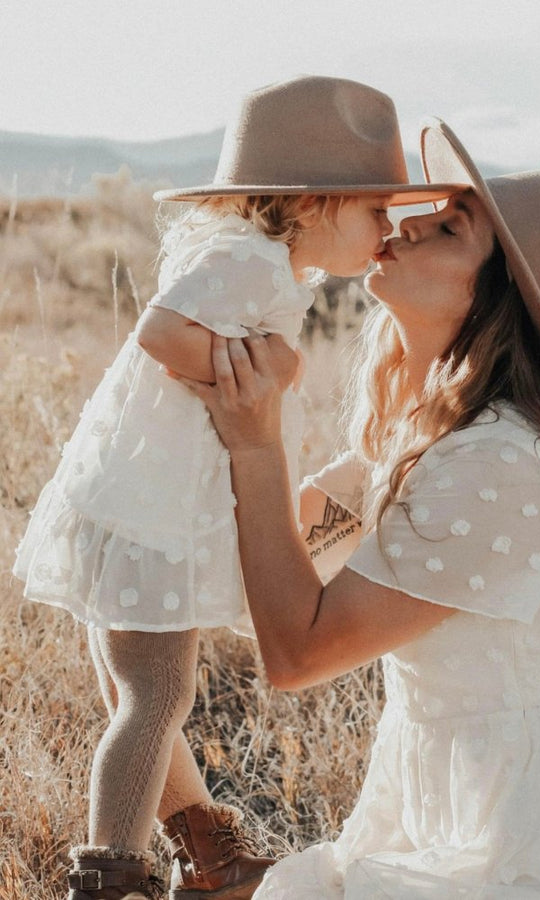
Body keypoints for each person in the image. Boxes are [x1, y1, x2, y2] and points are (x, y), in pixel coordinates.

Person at [181, 118, 540, 898]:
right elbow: (267, 574)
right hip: (446, 816)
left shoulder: (496, 464)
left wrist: (257, 444)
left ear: (498, 299)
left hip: (528, 848)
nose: (408, 225)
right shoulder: (417, 446)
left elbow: (298, 652)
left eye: (449, 229)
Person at [12, 78, 460, 900]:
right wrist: (271, 371)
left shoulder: (255, 260)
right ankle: (111, 879)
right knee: (156, 697)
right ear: (315, 203)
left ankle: (209, 856)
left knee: (136, 692)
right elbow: (159, 331)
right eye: (375, 211)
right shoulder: (251, 263)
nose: (387, 231)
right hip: (154, 509)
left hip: (133, 497)